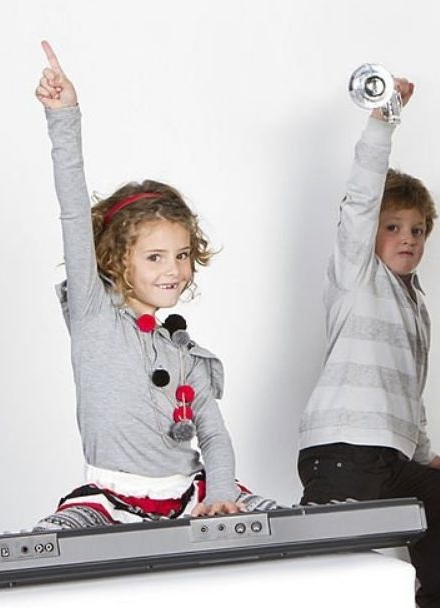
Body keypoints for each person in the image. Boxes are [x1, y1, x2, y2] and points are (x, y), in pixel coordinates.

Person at [296, 76, 440, 608]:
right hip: (342, 449)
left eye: (417, 230)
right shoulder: (355, 276)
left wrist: (422, 453)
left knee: (437, 496)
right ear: (369, 236)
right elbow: (362, 197)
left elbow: (409, 392)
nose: (407, 238)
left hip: (386, 453)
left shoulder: (415, 303)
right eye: (392, 228)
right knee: (339, 554)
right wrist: (382, 121)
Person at [33, 41, 276, 530]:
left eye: (182, 255)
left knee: (271, 514)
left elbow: (213, 436)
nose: (174, 270)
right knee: (57, 533)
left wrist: (223, 494)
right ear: (117, 258)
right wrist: (64, 116)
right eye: (155, 257)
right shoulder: (93, 313)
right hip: (109, 495)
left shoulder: (185, 354)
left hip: (188, 493)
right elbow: (74, 211)